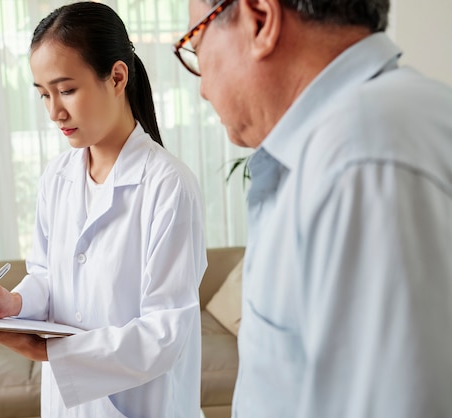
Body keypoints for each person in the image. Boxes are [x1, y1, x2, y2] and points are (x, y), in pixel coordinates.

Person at [174, 0, 452, 416]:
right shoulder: (352, 141)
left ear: (260, 21)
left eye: (196, 44)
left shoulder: (361, 158)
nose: (202, 87)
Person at [0, 2, 207, 417]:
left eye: (67, 90)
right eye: (43, 95)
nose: (54, 112)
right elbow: (47, 276)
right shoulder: (58, 177)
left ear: (117, 77)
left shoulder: (168, 185)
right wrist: (13, 304)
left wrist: (51, 351)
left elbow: (166, 334)